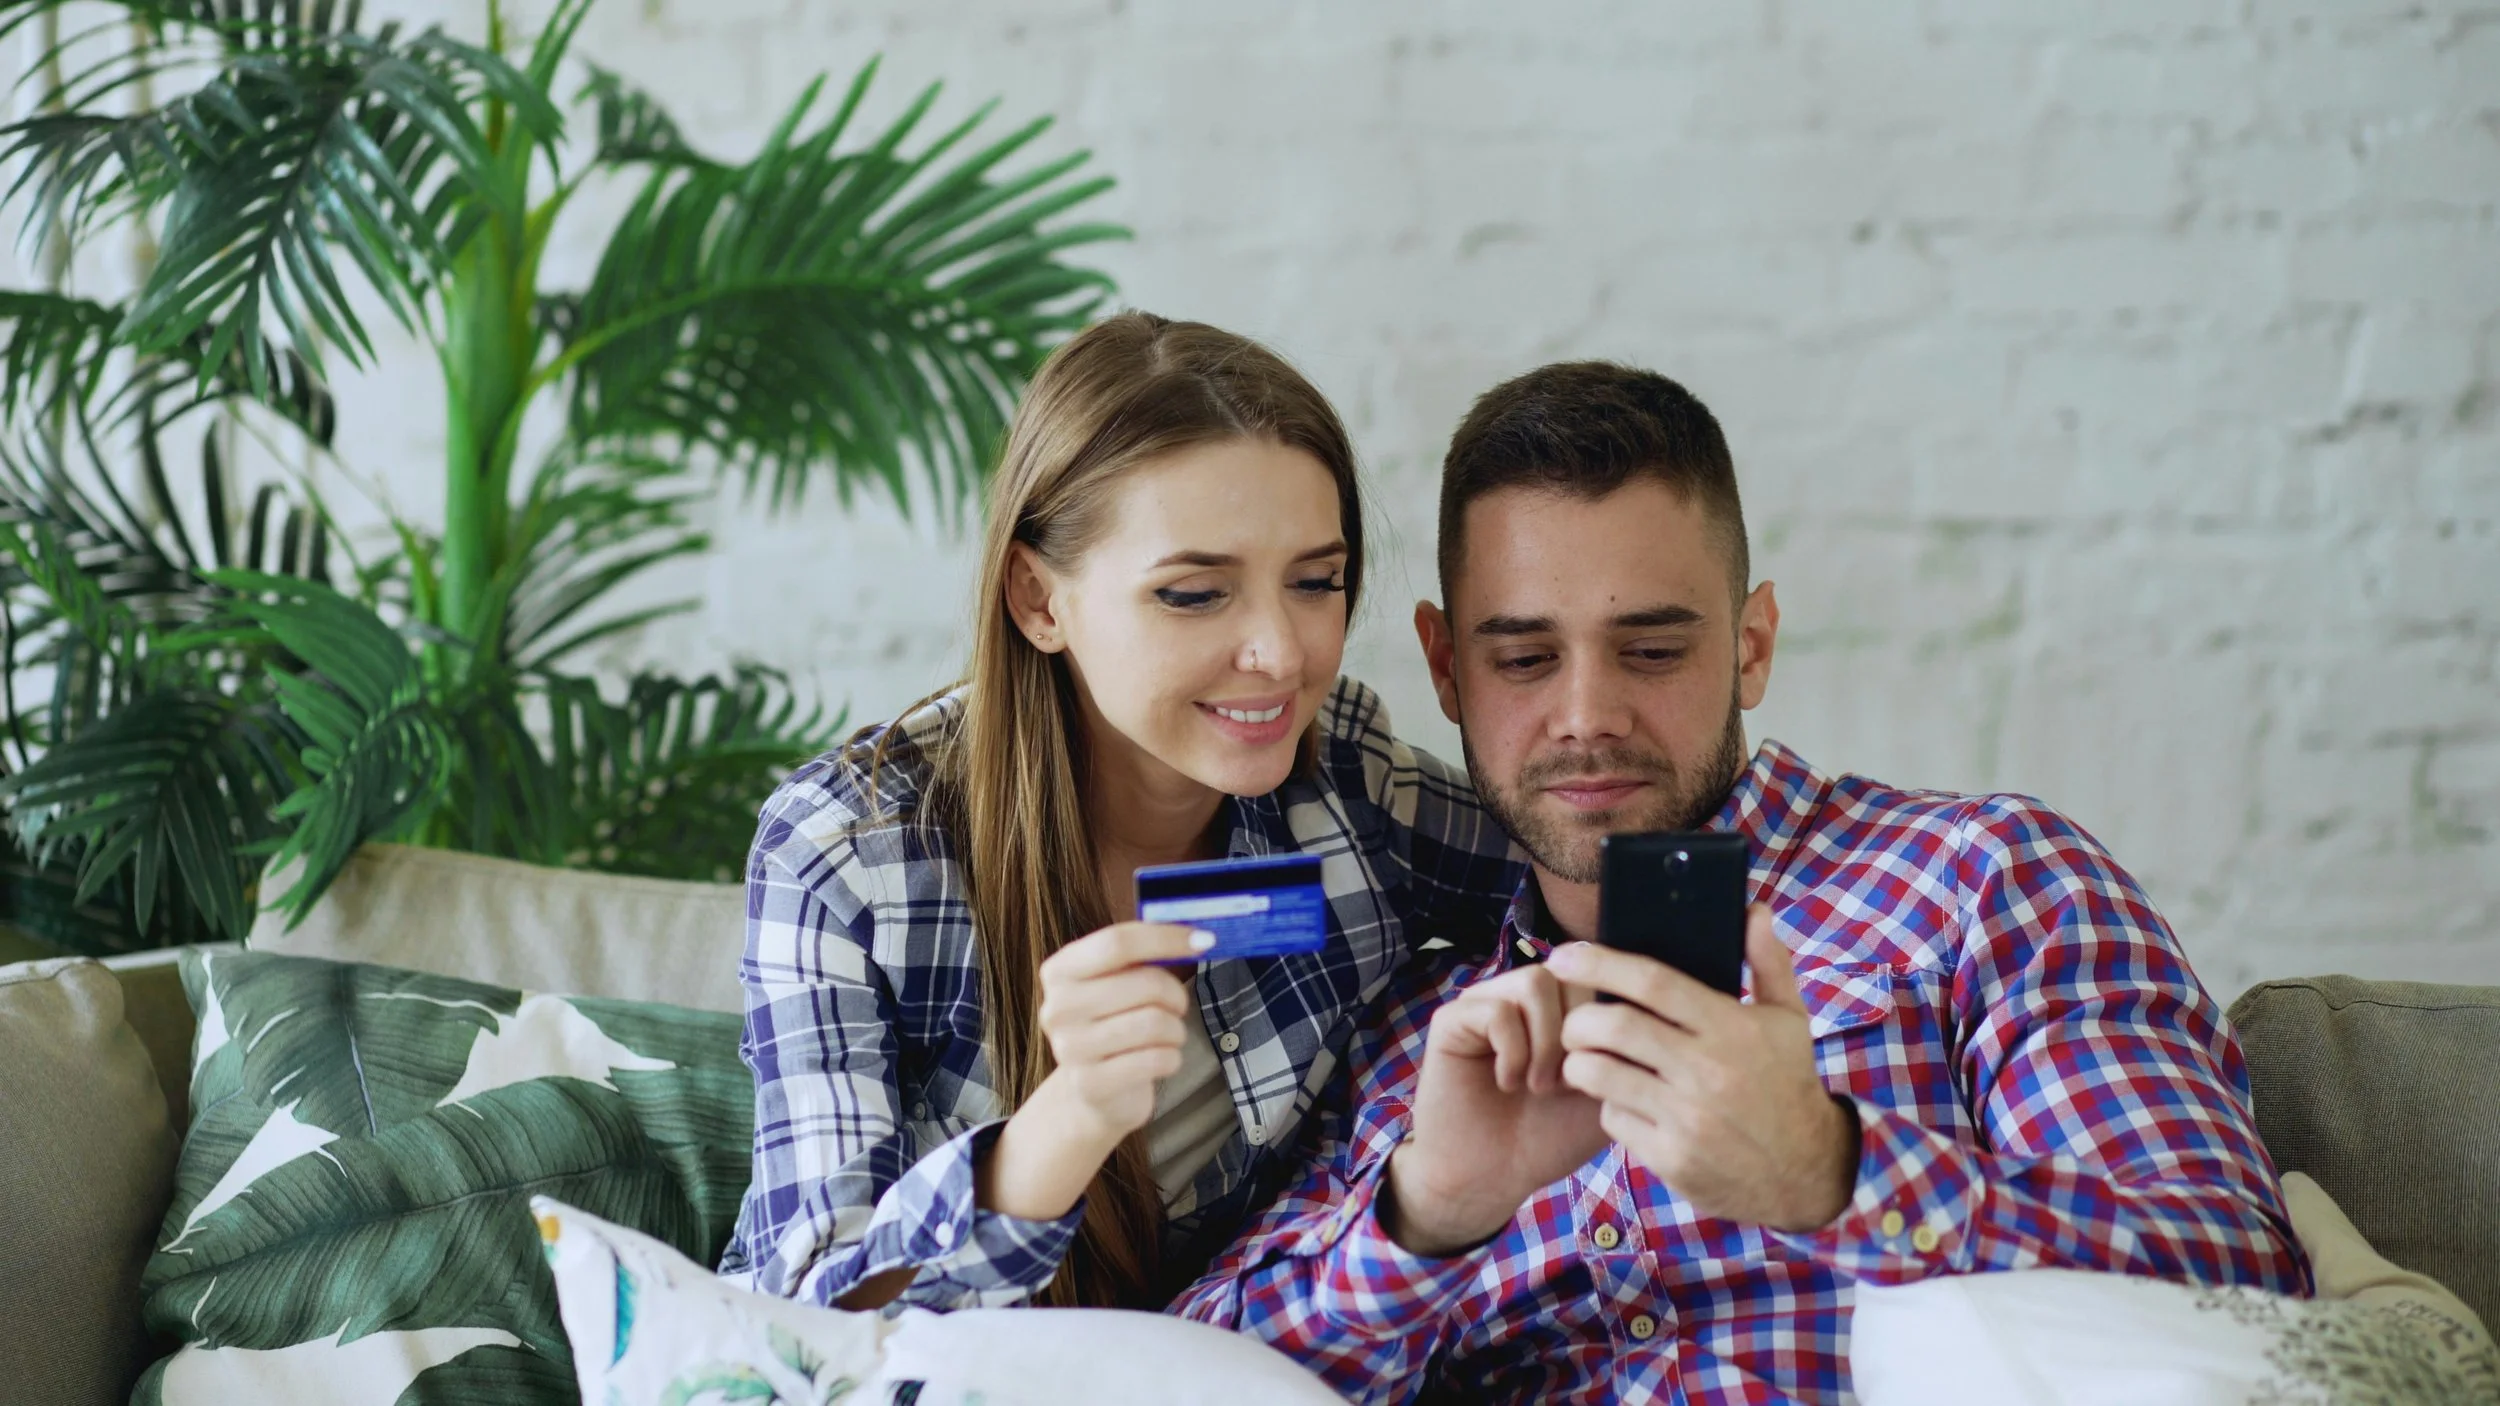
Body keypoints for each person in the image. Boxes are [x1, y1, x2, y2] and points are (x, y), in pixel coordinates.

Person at [1169, 361, 2309, 1402]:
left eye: (1653, 649)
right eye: (1522, 658)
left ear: (1752, 644)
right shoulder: (1413, 1036)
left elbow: (2234, 1277)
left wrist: (1829, 1169)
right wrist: (1424, 1217)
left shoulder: (1982, 881)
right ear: (1445, 667)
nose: (1585, 717)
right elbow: (1177, 1374)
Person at [719, 313, 1522, 1313]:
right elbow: (813, 1316)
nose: (1279, 651)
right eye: (1193, 594)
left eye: (1315, 580)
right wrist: (1071, 1116)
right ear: (1037, 598)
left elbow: (1584, 882)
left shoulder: (1347, 785)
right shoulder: (847, 854)